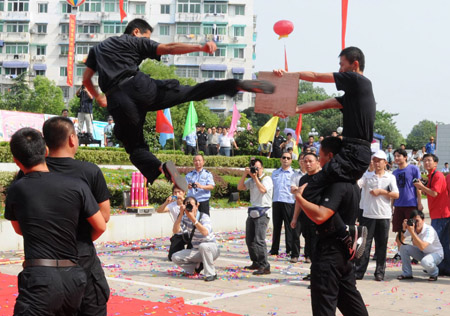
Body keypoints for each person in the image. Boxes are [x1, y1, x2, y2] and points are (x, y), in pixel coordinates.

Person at [82, 18, 274, 192]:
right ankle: (234, 85)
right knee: (190, 92)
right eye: (148, 37)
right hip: (139, 87)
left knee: (134, 146)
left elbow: (87, 79)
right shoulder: (133, 41)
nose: (149, 41)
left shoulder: (96, 50)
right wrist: (200, 48)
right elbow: (169, 48)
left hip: (117, 100)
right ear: (136, 32)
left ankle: (160, 168)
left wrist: (99, 98)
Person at [274, 46, 376, 259]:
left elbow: (317, 76)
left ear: (354, 65)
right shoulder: (353, 96)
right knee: (336, 192)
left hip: (354, 152)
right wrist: (293, 110)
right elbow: (321, 104)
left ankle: (350, 232)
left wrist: (291, 75)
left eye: (342, 65)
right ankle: (344, 232)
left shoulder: (358, 81)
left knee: (311, 188)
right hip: (351, 152)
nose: (339, 69)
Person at [5, 127, 106, 315]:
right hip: (74, 278)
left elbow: (19, 229)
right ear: (45, 151)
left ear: (16, 161)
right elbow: (101, 225)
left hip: (40, 278)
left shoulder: (17, 189)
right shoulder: (77, 185)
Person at [41, 116, 112, 315]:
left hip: (44, 260)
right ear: (72, 139)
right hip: (81, 256)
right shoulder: (89, 172)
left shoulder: (33, 172)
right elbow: (103, 217)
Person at [293, 137, 368, 316]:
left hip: (330, 253)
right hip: (345, 253)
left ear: (331, 156)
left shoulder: (337, 184)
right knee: (352, 305)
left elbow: (321, 215)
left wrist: (299, 198)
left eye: (320, 156)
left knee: (324, 307)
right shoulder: (352, 182)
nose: (319, 161)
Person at [355, 150, 399, 281]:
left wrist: (381, 191)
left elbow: (396, 194)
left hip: (383, 215)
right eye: (374, 160)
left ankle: (380, 272)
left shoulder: (390, 177)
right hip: (368, 214)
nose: (377, 163)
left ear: (385, 162)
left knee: (381, 245)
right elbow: (357, 184)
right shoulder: (367, 176)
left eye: (379, 161)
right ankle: (359, 271)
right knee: (364, 244)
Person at [413, 153, 450, 276]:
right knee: (443, 242)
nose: (427, 163)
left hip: (441, 213)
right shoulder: (432, 175)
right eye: (425, 161)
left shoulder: (438, 175)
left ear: (435, 163)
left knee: (436, 242)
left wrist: (421, 186)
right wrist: (422, 184)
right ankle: (444, 268)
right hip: (438, 213)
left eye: (429, 160)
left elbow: (434, 193)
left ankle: (439, 266)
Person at [238, 159, 273, 275]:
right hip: (252, 211)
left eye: (257, 168)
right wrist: (245, 174)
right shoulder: (251, 180)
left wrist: (256, 178)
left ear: (262, 168)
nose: (255, 170)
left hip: (263, 212)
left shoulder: (266, 179)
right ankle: (256, 262)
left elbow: (263, 190)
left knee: (259, 240)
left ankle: (265, 265)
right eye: (253, 168)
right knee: (249, 240)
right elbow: (240, 187)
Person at [172, 196, 219, 282]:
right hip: (197, 250)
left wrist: (193, 219)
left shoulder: (204, 216)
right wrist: (181, 214)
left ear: (197, 205)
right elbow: (175, 231)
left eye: (191, 206)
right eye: (187, 206)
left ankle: (211, 273)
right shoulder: (185, 218)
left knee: (203, 246)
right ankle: (197, 268)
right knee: (175, 257)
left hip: (212, 249)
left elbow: (205, 232)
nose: (190, 208)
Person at [391, 148, 423, 261]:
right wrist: (391, 207)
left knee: (414, 230)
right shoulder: (394, 173)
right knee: (400, 230)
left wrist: (419, 202)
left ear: (405, 157)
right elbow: (393, 192)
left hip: (411, 205)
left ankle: (416, 254)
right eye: (395, 156)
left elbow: (418, 187)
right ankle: (399, 253)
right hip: (399, 206)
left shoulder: (413, 169)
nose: (396, 158)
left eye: (399, 156)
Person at [291, 152, 321, 266]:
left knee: (317, 244)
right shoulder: (303, 179)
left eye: (310, 161)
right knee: (308, 241)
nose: (307, 164)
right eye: (305, 161)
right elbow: (299, 200)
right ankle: (313, 272)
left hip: (319, 216)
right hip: (305, 216)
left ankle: (319, 274)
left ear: (317, 162)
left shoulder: (322, 178)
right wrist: (294, 218)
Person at [397, 210, 443, 281]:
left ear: (423, 220)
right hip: (423, 253)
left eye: (417, 221)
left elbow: (422, 246)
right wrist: (403, 229)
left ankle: (434, 273)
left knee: (425, 262)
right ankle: (407, 273)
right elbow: (399, 241)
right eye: (414, 221)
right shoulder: (412, 227)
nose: (415, 223)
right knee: (403, 247)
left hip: (436, 254)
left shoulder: (429, 230)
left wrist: (412, 232)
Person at [269, 152, 298, 262]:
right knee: (276, 226)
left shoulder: (294, 174)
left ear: (291, 160)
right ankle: (274, 249)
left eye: (288, 158)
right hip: (276, 201)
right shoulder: (275, 173)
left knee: (289, 226)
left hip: (289, 202)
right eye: (284, 157)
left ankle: (289, 249)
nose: (286, 160)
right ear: (281, 159)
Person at [156, 186, 186, 261]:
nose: (177, 194)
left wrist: (183, 200)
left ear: (184, 193)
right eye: (175, 192)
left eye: (179, 192)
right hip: (178, 233)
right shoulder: (172, 205)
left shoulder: (189, 201)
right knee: (171, 257)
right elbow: (159, 210)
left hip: (190, 232)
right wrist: (166, 203)